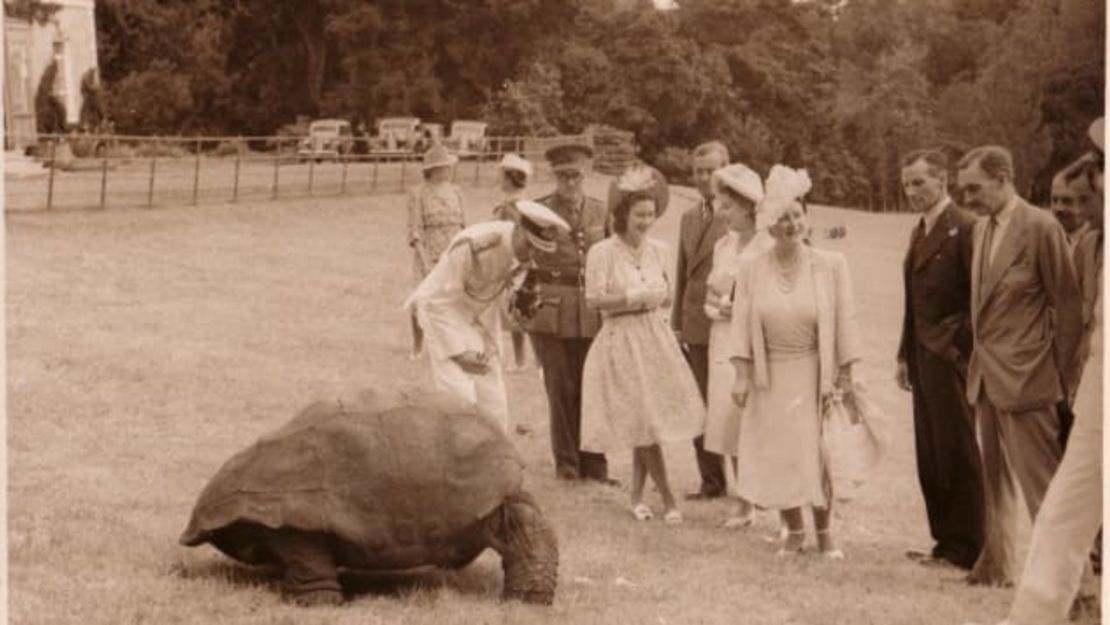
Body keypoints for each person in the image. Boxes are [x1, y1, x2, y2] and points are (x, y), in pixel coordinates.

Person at [964, 118, 1104, 625]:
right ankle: (996, 564)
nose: (969, 198)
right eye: (963, 191)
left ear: (1004, 180)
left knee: (1052, 497)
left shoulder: (1041, 227)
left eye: (975, 188)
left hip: (1030, 384)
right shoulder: (981, 228)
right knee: (998, 486)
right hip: (986, 379)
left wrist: (1062, 380)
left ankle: (1084, 600)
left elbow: (1068, 310)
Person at [729, 165, 862, 558]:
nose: (791, 224)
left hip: (813, 371)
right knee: (780, 453)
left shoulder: (831, 263)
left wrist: (846, 372)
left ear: (806, 219)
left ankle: (826, 534)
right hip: (772, 374)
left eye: (797, 216)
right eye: (782, 217)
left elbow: (845, 320)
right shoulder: (752, 267)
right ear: (769, 224)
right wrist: (741, 375)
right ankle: (795, 530)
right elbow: (740, 322)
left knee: (818, 452)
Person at [579, 165, 704, 524]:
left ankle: (636, 499)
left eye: (651, 215)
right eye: (639, 215)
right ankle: (669, 500)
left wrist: (656, 299)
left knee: (645, 421)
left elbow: (665, 297)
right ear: (623, 215)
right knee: (644, 422)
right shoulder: (602, 252)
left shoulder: (659, 250)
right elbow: (594, 300)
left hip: (654, 338)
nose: (646, 222)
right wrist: (635, 296)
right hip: (620, 339)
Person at [403, 200, 571, 431]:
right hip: (442, 314)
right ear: (519, 229)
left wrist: (520, 310)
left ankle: (494, 464)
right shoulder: (477, 244)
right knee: (460, 400)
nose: (532, 253)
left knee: (494, 405)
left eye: (538, 250)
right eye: (530, 245)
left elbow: (501, 301)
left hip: (478, 319)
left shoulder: (525, 258)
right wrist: (460, 353)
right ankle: (454, 465)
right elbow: (437, 301)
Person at [895, 149, 985, 570]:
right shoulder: (921, 229)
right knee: (930, 451)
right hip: (921, 356)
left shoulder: (964, 228)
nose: (912, 191)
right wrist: (903, 353)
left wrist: (956, 348)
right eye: (907, 184)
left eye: (920, 183)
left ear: (942, 180)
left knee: (957, 449)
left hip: (948, 358)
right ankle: (945, 541)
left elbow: (978, 299)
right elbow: (913, 303)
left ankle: (967, 545)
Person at [521, 142, 613, 483]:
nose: (570, 183)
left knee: (593, 387)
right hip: (552, 311)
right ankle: (568, 466)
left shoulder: (600, 212)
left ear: (585, 174)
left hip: (590, 309)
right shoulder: (538, 211)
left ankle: (595, 464)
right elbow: (520, 252)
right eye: (563, 176)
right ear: (553, 176)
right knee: (560, 389)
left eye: (575, 175)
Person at [700, 162, 772, 527]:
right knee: (727, 418)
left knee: (751, 418)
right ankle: (743, 496)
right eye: (718, 204)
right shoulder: (722, 245)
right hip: (723, 338)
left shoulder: (768, 244)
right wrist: (715, 308)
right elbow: (712, 295)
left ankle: (753, 497)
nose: (721, 212)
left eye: (727, 206)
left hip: (755, 341)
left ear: (747, 206)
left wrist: (742, 307)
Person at [672, 141, 732, 500]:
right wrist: (676, 321)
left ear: (726, 169)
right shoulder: (688, 217)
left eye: (711, 170)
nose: (705, 178)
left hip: (727, 324)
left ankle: (747, 483)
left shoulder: (738, 216)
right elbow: (682, 273)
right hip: (694, 325)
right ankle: (711, 481)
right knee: (697, 404)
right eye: (698, 171)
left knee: (730, 404)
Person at [407, 144, 466, 359]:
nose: (449, 170)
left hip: (454, 253)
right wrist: (424, 260)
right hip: (429, 253)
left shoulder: (456, 191)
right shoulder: (418, 193)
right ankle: (417, 346)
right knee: (420, 300)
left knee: (455, 300)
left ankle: (453, 344)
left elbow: (463, 225)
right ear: (433, 169)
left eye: (449, 166)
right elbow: (415, 229)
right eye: (445, 166)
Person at [491, 153, 537, 370]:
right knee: (514, 314)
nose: (499, 180)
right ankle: (520, 361)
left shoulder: (520, 206)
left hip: (522, 264)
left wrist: (522, 264)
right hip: (508, 262)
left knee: (525, 312)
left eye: (502, 176)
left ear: (511, 179)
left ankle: (538, 363)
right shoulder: (507, 205)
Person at [1048, 169, 1092, 250]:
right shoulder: (1047, 239)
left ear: (1084, 204)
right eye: (1054, 200)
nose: (1059, 208)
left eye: (1066, 201)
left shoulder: (1094, 244)